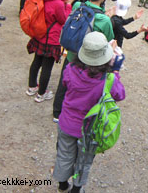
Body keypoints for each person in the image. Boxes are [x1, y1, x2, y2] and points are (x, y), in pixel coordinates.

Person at [53, 31, 125, 193]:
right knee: (84, 160)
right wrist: (116, 73)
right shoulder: (107, 80)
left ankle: (62, 184)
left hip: (66, 123)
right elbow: (120, 94)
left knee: (64, 154)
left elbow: (65, 83)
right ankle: (77, 188)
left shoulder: (70, 69)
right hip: (89, 130)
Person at [53, 0, 115, 122]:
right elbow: (107, 38)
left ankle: (57, 112)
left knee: (64, 81)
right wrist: (108, 16)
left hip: (71, 54)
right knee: (82, 86)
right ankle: (78, 115)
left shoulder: (77, 6)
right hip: (88, 59)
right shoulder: (104, 20)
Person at [25, 0, 77, 102]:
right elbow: (63, 19)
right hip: (51, 38)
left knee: (36, 61)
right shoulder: (58, 3)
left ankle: (31, 86)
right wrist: (69, 5)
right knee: (47, 67)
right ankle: (42, 93)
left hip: (40, 34)